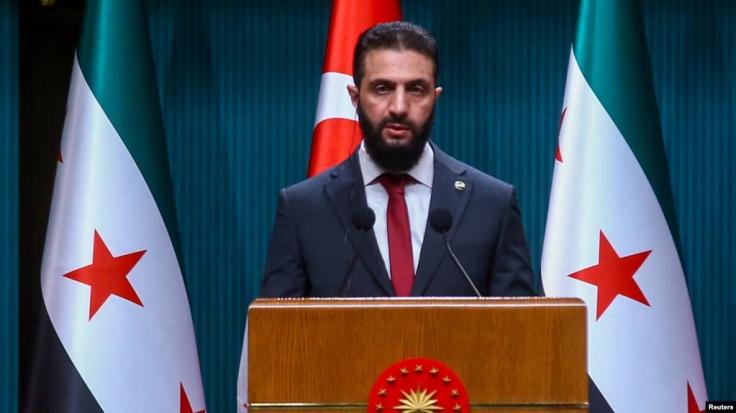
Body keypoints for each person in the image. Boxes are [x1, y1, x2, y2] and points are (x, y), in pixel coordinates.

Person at [260, 21, 536, 297]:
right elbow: (278, 323)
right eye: (382, 88)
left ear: (435, 97)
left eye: (416, 89)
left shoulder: (491, 205)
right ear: (355, 97)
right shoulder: (303, 210)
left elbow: (521, 321)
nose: (399, 107)